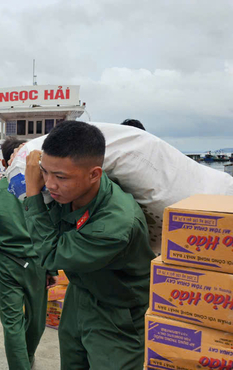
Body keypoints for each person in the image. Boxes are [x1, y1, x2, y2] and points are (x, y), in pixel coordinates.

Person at [23, 121, 155, 370]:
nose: (50, 184)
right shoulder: (67, 192)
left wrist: (32, 193)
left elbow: (52, 254)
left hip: (117, 310)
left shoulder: (116, 224)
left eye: (60, 176)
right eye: (45, 172)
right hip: (79, 294)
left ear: (94, 174)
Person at [0, 137, 52, 370]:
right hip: (24, 262)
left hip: (23, 262)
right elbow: (52, 230)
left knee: (24, 323)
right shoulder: (41, 191)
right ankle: (24, 362)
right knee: (26, 322)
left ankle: (23, 362)